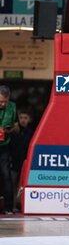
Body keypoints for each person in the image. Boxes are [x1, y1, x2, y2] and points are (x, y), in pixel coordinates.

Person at [9, 108, 34, 211]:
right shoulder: (13, 131)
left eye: (25, 118)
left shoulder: (32, 133)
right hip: (13, 163)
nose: (23, 120)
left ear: (29, 119)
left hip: (26, 164)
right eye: (21, 118)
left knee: (23, 186)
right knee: (12, 186)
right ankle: (12, 206)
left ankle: (24, 206)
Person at [0, 85, 16, 214]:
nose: (3, 104)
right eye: (0, 101)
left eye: (5, 101)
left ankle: (9, 206)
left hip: (5, 145)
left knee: (6, 175)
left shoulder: (12, 107)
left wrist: (9, 129)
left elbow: (15, 125)